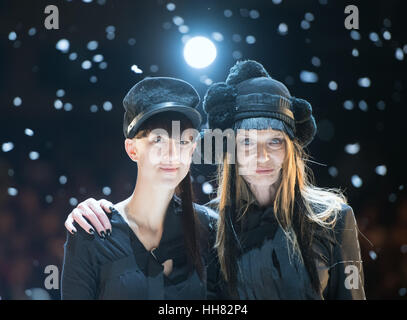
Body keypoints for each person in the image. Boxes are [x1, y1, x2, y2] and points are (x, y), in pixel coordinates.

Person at [203, 59, 366, 299]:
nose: (263, 156)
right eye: (247, 142)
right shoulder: (209, 224)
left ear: (290, 148)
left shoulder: (334, 219)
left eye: (275, 141)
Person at [61, 77, 218, 299]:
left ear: (192, 151)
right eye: (158, 140)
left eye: (183, 142)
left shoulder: (210, 229)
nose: (172, 154)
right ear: (132, 149)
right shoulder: (92, 233)